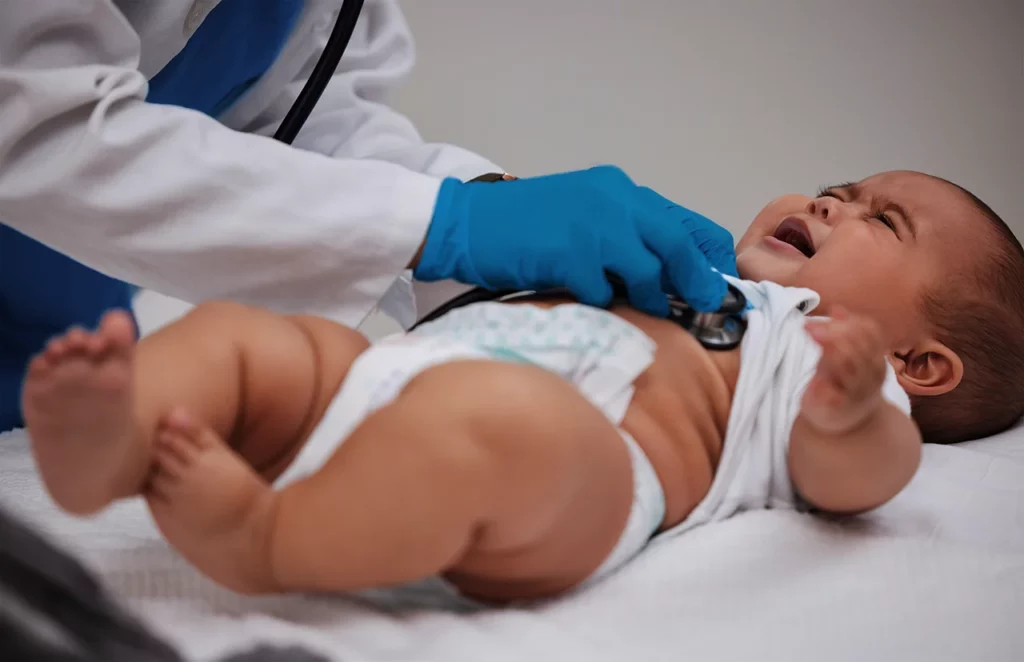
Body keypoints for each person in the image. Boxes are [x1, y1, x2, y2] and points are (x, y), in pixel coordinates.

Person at [21, 170, 1024, 603]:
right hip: (397, 377)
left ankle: (260, 541)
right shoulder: (688, 265)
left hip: (582, 474)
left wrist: (851, 409)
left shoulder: (838, 368)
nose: (829, 201)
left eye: (880, 221)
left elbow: (862, 474)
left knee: (493, 424)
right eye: (839, 188)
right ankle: (115, 437)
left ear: (920, 363)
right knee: (255, 338)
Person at [0, 0, 736, 431]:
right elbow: (35, 121)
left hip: (63, 356)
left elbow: (303, 121)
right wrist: (449, 224)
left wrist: (482, 206)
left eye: (860, 213)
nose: (832, 208)